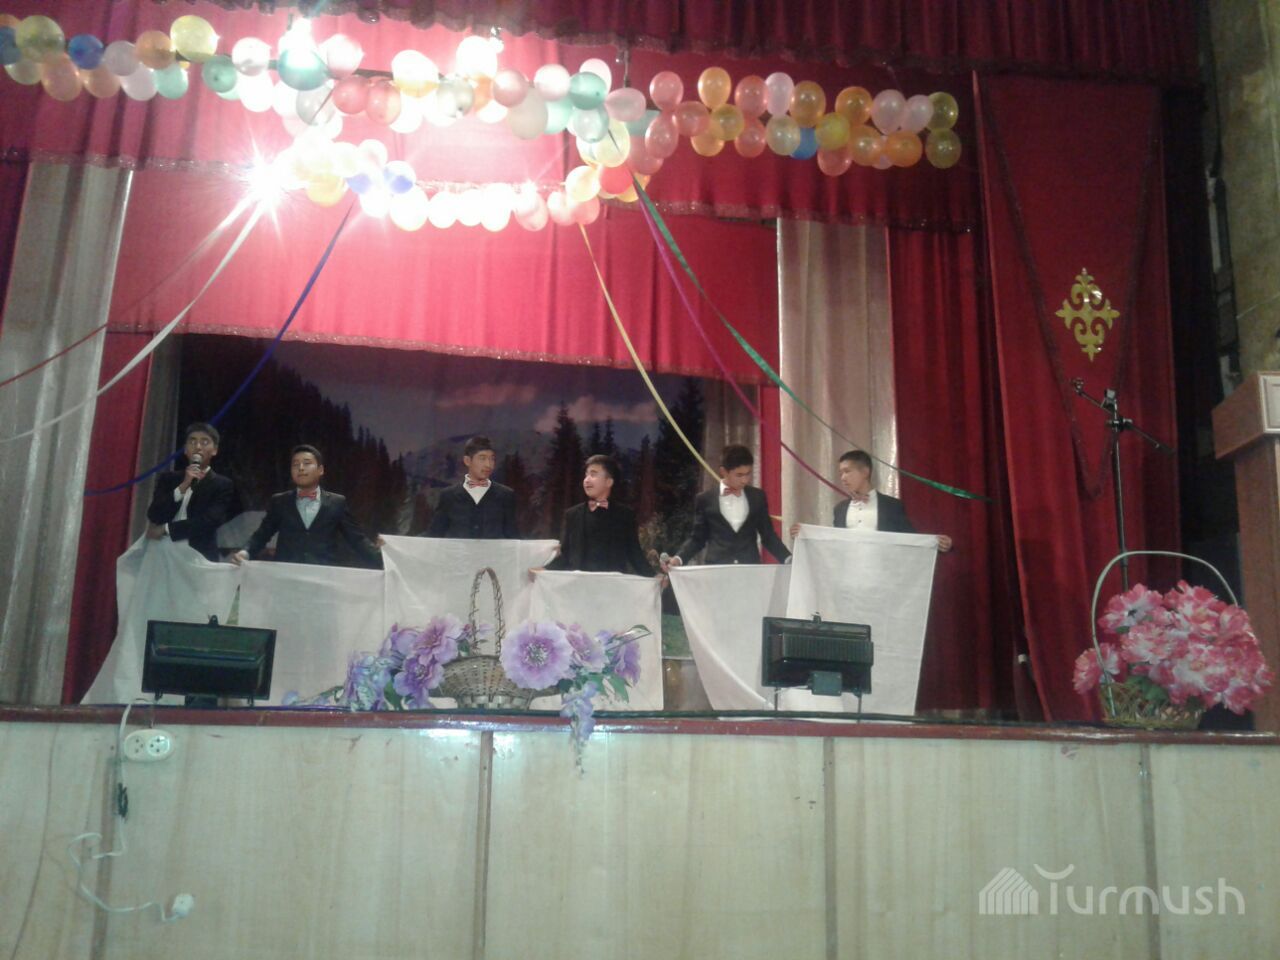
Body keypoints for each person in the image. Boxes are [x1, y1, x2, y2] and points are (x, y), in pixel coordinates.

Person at [231, 445, 382, 568]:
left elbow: (357, 539)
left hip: (323, 579)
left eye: (307, 463)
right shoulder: (280, 502)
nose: (301, 468)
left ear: (320, 470)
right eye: (295, 465)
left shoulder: (337, 503)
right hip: (286, 577)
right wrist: (245, 552)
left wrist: (384, 559)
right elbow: (262, 534)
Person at [789, 450, 953, 552]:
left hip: (882, 576)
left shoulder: (892, 506)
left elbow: (909, 539)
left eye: (847, 471)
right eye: (841, 473)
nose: (843, 478)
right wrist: (805, 535)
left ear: (865, 472)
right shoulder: (840, 509)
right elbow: (834, 542)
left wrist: (935, 543)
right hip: (849, 578)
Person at [666, 444, 790, 568]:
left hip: (750, 570)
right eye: (739, 475)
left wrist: (789, 559)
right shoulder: (705, 499)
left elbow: (768, 536)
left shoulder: (757, 497)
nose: (745, 480)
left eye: (748, 474)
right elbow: (697, 539)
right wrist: (678, 559)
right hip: (716, 570)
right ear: (723, 472)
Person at [544, 454, 655, 576]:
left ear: (608, 482)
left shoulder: (625, 516)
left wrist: (653, 575)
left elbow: (634, 554)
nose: (586, 480)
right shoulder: (572, 515)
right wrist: (544, 571)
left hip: (612, 584)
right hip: (579, 583)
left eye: (593, 474)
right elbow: (565, 555)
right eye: (586, 475)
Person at [145, 422, 235, 562]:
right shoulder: (168, 479)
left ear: (214, 450)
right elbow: (154, 514)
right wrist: (183, 486)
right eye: (192, 442)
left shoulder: (222, 484)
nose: (198, 447)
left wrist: (167, 529)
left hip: (199, 557)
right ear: (185, 449)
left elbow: (209, 521)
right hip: (164, 554)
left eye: (204, 442)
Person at [425, 435, 519, 539]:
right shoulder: (448, 496)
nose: (489, 465)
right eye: (482, 458)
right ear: (467, 461)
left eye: (492, 459)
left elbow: (513, 537)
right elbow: (434, 535)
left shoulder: (505, 495)